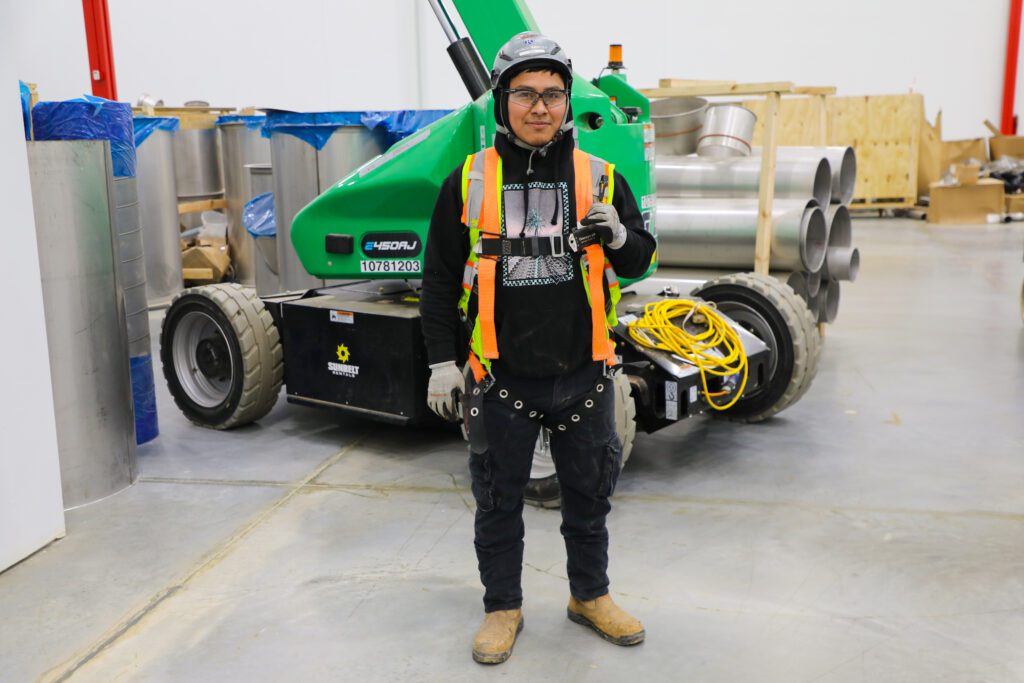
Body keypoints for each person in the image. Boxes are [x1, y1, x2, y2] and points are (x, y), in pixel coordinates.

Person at [419, 31, 656, 665]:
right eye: (525, 93)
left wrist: (622, 238)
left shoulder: (601, 178)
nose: (540, 106)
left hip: (584, 373)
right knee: (497, 503)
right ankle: (503, 607)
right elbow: (439, 279)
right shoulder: (467, 181)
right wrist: (444, 362)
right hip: (500, 379)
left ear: (567, 101)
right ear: (502, 102)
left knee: (589, 495)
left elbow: (640, 260)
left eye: (553, 93)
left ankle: (590, 596)